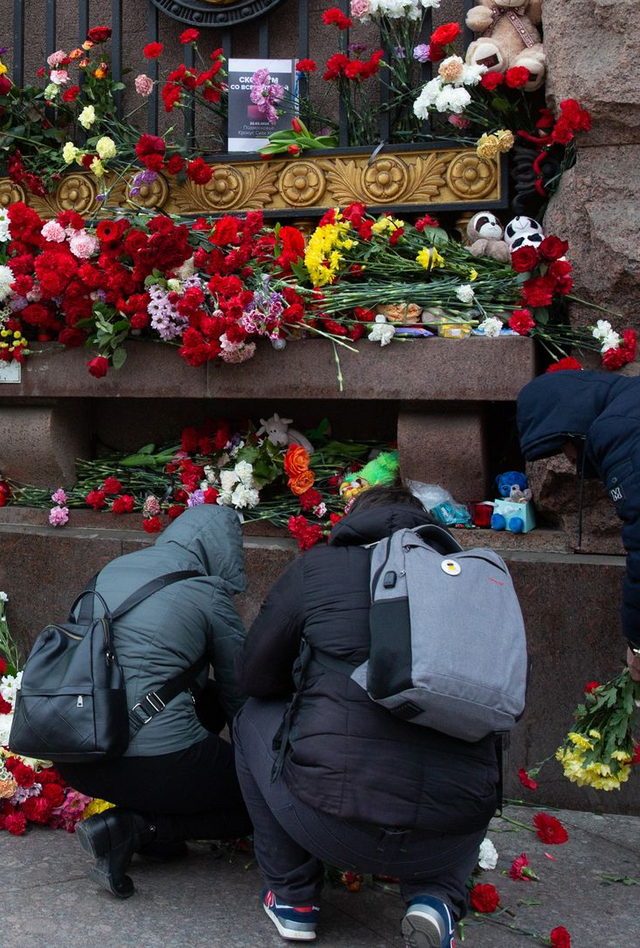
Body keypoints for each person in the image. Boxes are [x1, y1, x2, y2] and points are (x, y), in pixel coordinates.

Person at [233, 486, 500, 947]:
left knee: (250, 719)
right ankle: (437, 897)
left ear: (354, 519)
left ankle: (294, 896)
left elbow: (254, 678)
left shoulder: (319, 568)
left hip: (332, 825)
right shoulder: (479, 584)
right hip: (451, 835)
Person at [59, 504, 252, 900]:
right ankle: (139, 828)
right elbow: (242, 693)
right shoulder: (207, 591)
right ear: (224, 551)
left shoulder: (109, 570)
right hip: (154, 763)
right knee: (261, 800)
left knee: (195, 698)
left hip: (75, 756)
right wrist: (263, 765)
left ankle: (150, 821)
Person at [516, 369, 640, 684]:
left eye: (561, 450)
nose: (570, 462)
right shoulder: (630, 403)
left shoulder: (618, 430)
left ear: (569, 431)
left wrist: (637, 644)